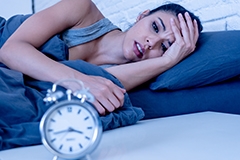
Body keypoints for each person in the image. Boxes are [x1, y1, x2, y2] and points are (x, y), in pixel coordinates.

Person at [0, 0, 202, 116]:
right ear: (142, 15)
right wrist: (80, 81)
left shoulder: (129, 75)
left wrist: (168, 61)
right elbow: (11, 50)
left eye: (165, 47)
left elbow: (104, 85)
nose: (151, 42)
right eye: (155, 27)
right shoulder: (82, 8)